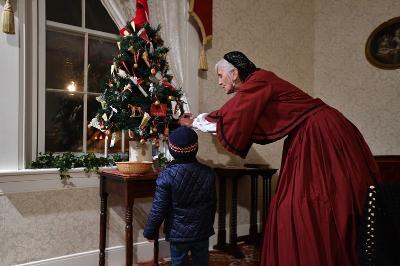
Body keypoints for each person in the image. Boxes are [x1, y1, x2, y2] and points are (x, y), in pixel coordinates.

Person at [179, 51, 381, 266]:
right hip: (316, 130)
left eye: (220, 76)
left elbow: (230, 118)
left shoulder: (258, 81)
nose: (219, 82)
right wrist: (199, 122)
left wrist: (194, 123)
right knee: (317, 197)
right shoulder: (258, 82)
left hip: (319, 132)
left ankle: (317, 254)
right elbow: (235, 117)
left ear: (235, 73)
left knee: (312, 200)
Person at [143, 126, 217, 266]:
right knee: (202, 261)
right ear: (195, 148)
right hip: (202, 231)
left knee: (178, 262)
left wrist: (150, 232)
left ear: (172, 149)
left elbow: (159, 208)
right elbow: (212, 204)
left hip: (178, 234)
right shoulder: (208, 172)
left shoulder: (166, 176)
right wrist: (207, 225)